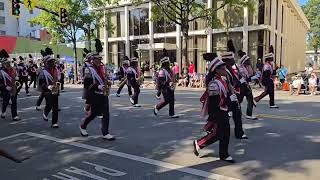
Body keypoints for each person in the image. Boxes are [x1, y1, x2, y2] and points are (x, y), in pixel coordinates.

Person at [193, 57, 234, 163]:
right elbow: (214, 103)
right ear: (217, 70)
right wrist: (229, 100)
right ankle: (199, 143)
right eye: (223, 69)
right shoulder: (214, 84)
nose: (225, 70)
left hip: (224, 110)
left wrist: (231, 99)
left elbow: (226, 96)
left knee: (225, 133)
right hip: (218, 112)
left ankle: (223, 154)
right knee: (218, 134)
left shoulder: (222, 80)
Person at [79, 52, 115, 140]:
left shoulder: (103, 68)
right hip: (94, 94)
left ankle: (105, 133)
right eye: (97, 59)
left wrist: (108, 81)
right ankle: (83, 125)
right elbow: (87, 84)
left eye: (100, 59)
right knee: (93, 113)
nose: (99, 60)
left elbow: (105, 78)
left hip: (103, 93)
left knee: (106, 113)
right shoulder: (88, 69)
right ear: (92, 60)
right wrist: (98, 86)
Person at [221, 51, 248, 139]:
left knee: (236, 114)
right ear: (228, 60)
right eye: (232, 59)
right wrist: (239, 83)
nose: (233, 60)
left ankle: (239, 133)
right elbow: (227, 83)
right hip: (228, 96)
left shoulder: (230, 69)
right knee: (230, 114)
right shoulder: (224, 70)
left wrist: (241, 81)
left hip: (233, 95)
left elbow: (235, 79)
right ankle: (238, 133)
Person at [38, 55, 60, 128]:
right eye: (50, 61)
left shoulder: (56, 69)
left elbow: (58, 78)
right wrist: (48, 86)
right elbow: (41, 83)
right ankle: (45, 112)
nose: (52, 63)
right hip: (47, 91)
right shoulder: (43, 71)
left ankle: (54, 122)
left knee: (55, 107)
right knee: (49, 105)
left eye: (53, 61)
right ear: (46, 63)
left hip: (55, 89)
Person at [0, 49, 20, 121]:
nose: (8, 64)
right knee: (5, 101)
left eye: (8, 62)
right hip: (5, 89)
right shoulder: (1, 71)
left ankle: (14, 115)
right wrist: (5, 87)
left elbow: (17, 79)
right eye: (6, 63)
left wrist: (17, 81)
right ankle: (3, 111)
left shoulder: (13, 70)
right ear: (3, 63)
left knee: (14, 102)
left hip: (13, 88)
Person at [237, 52, 257, 120]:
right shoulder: (241, 69)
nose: (249, 61)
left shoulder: (246, 67)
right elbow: (244, 78)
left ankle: (249, 114)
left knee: (250, 99)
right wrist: (252, 78)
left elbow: (250, 74)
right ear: (245, 61)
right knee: (239, 100)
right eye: (248, 60)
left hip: (246, 86)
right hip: (242, 86)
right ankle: (232, 110)